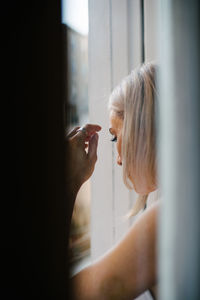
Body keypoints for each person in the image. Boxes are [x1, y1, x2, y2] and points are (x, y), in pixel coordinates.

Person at [66, 62, 159, 300]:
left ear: (142, 133)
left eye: (115, 137)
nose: (119, 160)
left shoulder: (164, 221)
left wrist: (68, 184)